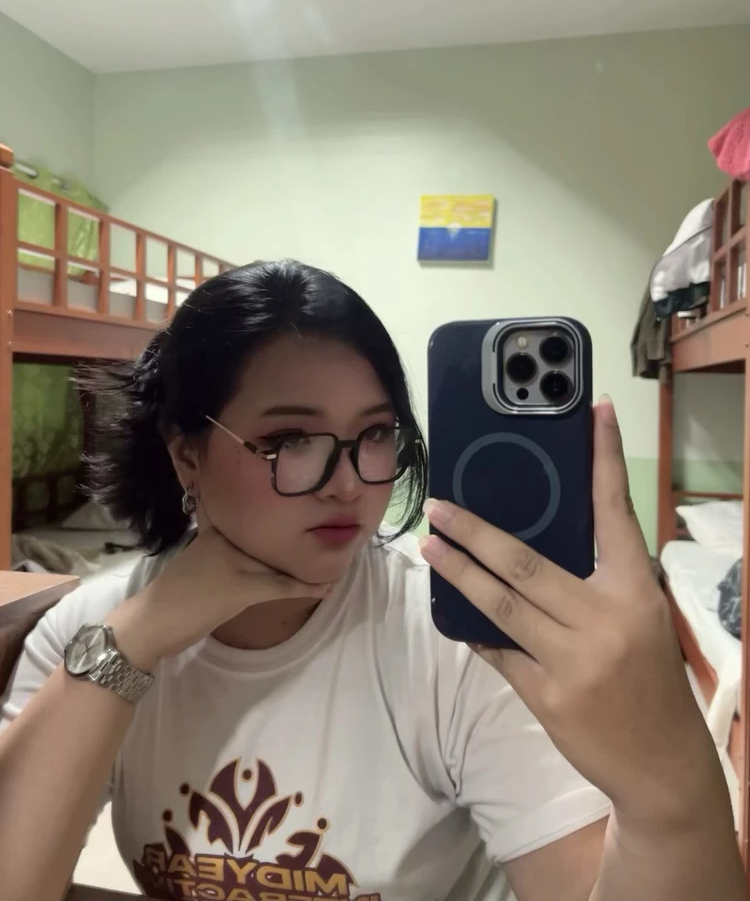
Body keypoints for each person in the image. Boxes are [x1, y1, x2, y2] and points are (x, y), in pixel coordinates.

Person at [0, 260, 742, 901]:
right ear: (186, 455)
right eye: (291, 439)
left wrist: (671, 792)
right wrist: (132, 642)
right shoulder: (90, 628)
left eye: (376, 434)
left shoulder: (453, 642)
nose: (350, 484)